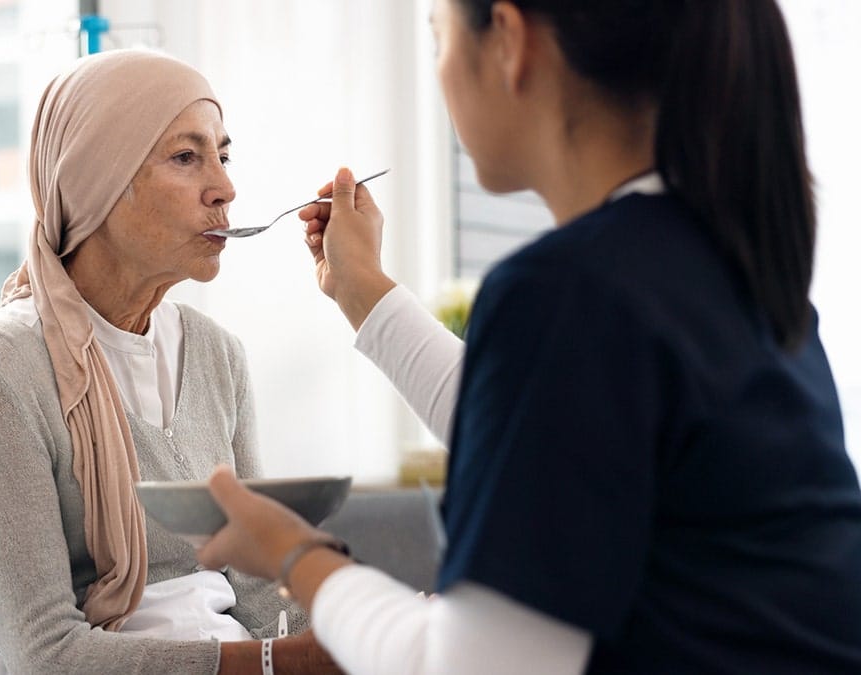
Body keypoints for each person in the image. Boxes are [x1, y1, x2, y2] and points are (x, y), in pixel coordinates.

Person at [198, 1, 861, 673]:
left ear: (509, 42)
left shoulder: (572, 290)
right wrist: (361, 287)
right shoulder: (721, 269)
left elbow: (471, 664)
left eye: (438, 36)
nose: (440, 71)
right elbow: (555, 436)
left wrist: (297, 555)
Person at [0, 49, 340, 675]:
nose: (225, 189)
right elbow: (45, 656)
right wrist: (281, 664)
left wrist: (354, 637)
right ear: (97, 181)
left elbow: (259, 591)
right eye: (186, 157)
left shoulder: (218, 355)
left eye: (222, 156)